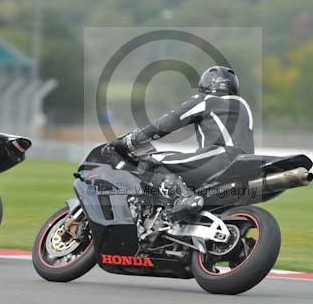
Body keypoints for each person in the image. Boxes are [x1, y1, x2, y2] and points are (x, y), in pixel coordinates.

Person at [105, 66, 254, 220]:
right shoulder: (243, 104)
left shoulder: (207, 100)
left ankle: (184, 197)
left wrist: (130, 140)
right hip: (244, 165)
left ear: (206, 84)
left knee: (150, 162)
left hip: (221, 157)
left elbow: (168, 122)